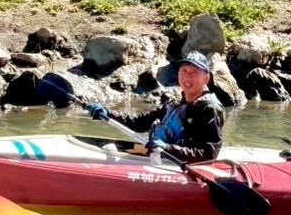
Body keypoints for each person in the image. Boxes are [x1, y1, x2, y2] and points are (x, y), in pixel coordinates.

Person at [88, 51, 224, 162]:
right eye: (184, 71)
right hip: (160, 157)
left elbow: (208, 154)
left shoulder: (209, 109)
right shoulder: (175, 103)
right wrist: (107, 114)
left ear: (206, 79)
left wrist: (166, 148)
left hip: (177, 165)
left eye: (194, 72)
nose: (187, 77)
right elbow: (139, 123)